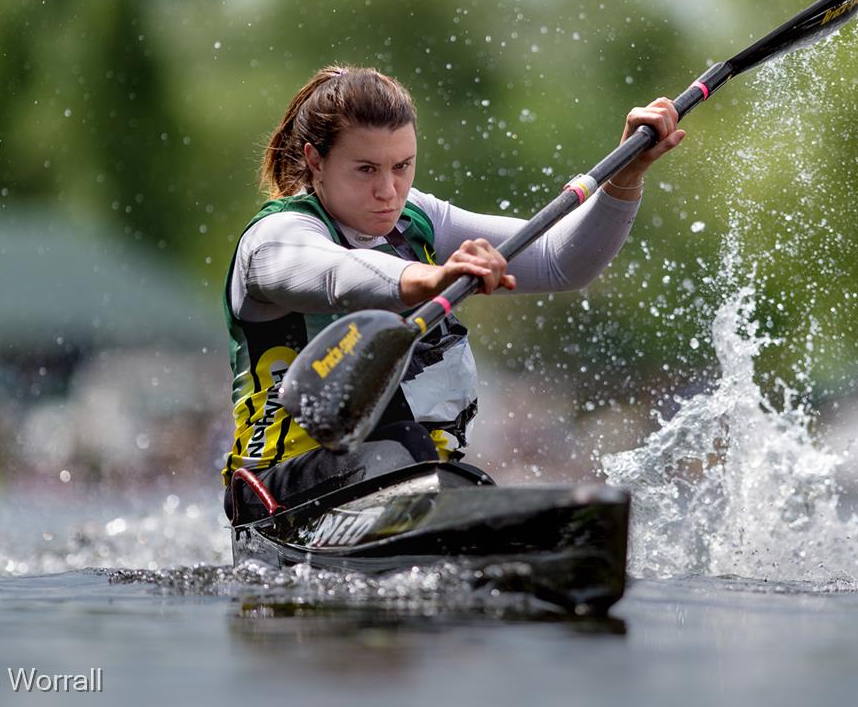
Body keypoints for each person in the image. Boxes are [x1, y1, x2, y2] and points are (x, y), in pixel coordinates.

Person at [222, 64, 684, 519]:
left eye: (402, 166)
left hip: (414, 476)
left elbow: (560, 260)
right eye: (365, 170)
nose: (388, 190)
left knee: (446, 473)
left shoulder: (418, 218)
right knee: (406, 459)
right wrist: (435, 277)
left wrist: (626, 177)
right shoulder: (275, 237)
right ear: (315, 160)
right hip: (281, 494)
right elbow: (337, 277)